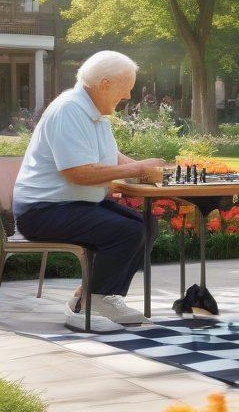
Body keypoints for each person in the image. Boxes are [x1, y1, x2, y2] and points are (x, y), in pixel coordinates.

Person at [13, 51, 166, 332]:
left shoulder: (92, 112)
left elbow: (111, 155)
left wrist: (142, 168)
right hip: (42, 211)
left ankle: (95, 296)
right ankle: (87, 307)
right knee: (127, 232)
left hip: (69, 205)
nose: (129, 96)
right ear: (105, 84)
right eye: (126, 88)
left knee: (146, 225)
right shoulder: (69, 110)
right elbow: (77, 172)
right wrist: (137, 169)